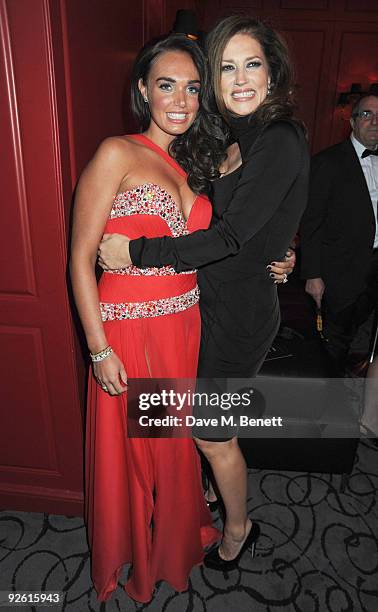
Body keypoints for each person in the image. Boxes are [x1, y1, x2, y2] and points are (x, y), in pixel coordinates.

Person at [98, 15, 309, 571]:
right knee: (187, 421)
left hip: (237, 316)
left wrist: (137, 254)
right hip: (200, 306)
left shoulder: (281, 137)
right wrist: (283, 252)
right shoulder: (234, 138)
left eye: (253, 64)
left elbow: (232, 234)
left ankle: (239, 531)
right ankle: (214, 497)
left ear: (273, 72)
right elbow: (257, 224)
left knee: (213, 435)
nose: (239, 79)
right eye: (225, 67)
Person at [70, 34, 226, 603]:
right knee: (135, 451)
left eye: (191, 87)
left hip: (186, 324)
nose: (181, 99)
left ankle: (173, 542)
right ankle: (135, 553)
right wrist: (98, 347)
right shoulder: (117, 151)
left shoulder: (198, 162)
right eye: (167, 85)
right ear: (143, 90)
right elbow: (79, 258)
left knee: (175, 443)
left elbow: (216, 246)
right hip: (130, 330)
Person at [300, 94, 378, 374]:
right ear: (353, 121)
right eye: (367, 114)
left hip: (375, 269)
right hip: (339, 273)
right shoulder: (327, 162)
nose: (375, 122)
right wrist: (312, 274)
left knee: (366, 340)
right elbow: (311, 222)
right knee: (332, 345)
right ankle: (324, 405)